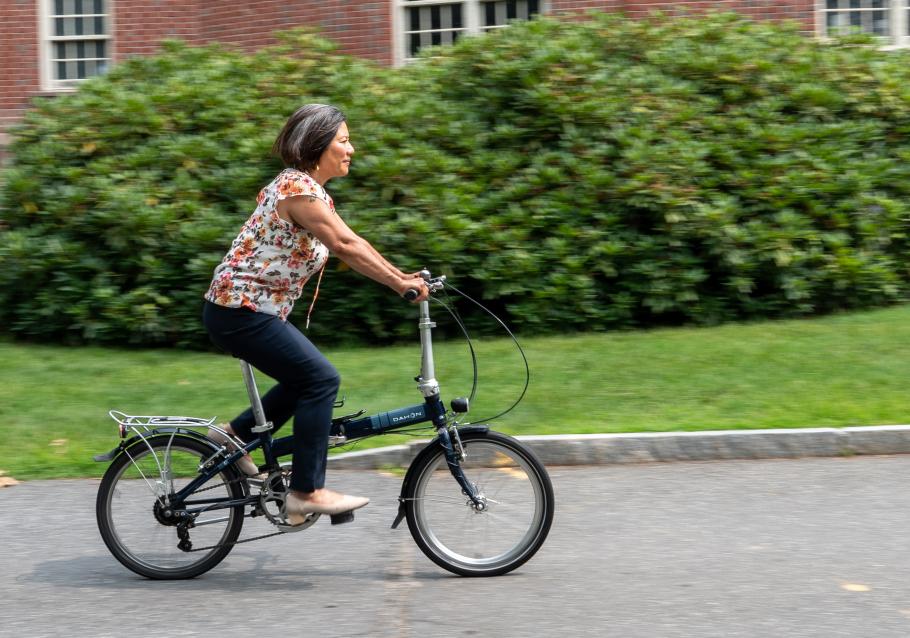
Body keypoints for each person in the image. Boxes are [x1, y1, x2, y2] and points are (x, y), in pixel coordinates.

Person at [202, 104, 429, 525]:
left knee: (305, 379)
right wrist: (400, 284)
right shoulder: (297, 191)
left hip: (248, 309)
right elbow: (344, 246)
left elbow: (351, 240)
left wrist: (403, 276)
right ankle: (305, 492)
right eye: (343, 140)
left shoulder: (308, 189)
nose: (351, 149)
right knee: (320, 379)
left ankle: (231, 437)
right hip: (239, 310)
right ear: (318, 146)